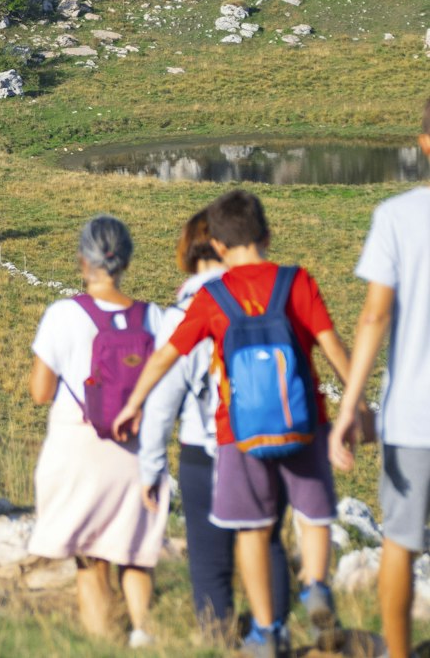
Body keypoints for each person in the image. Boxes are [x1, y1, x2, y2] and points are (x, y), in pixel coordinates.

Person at [113, 189, 355, 658]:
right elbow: (332, 345)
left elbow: (168, 356)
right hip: (303, 423)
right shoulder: (297, 282)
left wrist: (135, 402)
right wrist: (355, 406)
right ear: (267, 234)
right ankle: (317, 586)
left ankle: (264, 632)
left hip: (235, 433)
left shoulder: (211, 298)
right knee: (312, 514)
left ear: (218, 246)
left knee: (251, 530)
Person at [138, 210, 291, 639]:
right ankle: (274, 636)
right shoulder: (266, 297)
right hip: (269, 443)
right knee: (269, 546)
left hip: (204, 450)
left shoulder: (186, 310)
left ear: (188, 249)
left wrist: (150, 468)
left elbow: (162, 402)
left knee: (211, 566)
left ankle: (218, 642)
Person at [28, 214, 169, 649]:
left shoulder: (62, 315)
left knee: (90, 556)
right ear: (125, 260)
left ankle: (101, 642)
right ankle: (143, 633)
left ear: (81, 261)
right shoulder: (154, 317)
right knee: (134, 553)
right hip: (136, 447)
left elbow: (39, 392)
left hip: (80, 446)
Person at [329, 98, 430, 658]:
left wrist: (350, 407)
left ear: (424, 144)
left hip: (413, 413)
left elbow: (373, 316)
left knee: (401, 540)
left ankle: (396, 652)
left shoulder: (396, 216)